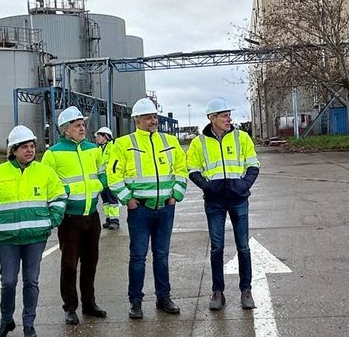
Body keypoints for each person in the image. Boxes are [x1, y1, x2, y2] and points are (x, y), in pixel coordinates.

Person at [0, 125, 66, 337]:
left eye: (32, 146)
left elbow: (59, 197)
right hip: (8, 240)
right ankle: (6, 321)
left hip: (35, 238)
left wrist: (52, 220)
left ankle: (29, 324)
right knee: (8, 281)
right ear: (13, 150)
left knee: (31, 282)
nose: (30, 150)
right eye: (24, 147)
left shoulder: (44, 172)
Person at [107, 97, 188, 319]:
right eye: (148, 117)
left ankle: (164, 297)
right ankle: (136, 301)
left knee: (161, 256)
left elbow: (182, 168)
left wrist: (176, 195)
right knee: (138, 256)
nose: (153, 121)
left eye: (154, 116)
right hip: (139, 210)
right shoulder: (123, 144)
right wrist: (128, 200)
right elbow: (113, 175)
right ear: (137, 120)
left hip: (165, 208)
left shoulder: (170, 141)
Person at [186, 98, 261, 311]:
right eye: (224, 115)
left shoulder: (241, 137)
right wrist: (208, 188)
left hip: (238, 199)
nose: (229, 118)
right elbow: (192, 168)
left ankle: (246, 291)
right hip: (214, 202)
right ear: (212, 118)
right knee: (217, 247)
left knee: (243, 247)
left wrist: (243, 185)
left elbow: (253, 164)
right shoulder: (199, 143)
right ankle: (218, 292)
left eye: (229, 114)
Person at [41, 107, 107, 325]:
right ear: (65, 129)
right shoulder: (53, 153)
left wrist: (102, 185)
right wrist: (64, 195)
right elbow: (47, 182)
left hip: (92, 215)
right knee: (69, 265)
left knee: (91, 263)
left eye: (83, 124)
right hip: (70, 219)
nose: (82, 128)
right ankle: (70, 307)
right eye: (77, 125)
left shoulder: (92, 149)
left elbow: (102, 170)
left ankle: (89, 304)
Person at [94, 126, 121, 230]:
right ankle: (109, 219)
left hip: (110, 178)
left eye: (99, 136)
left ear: (106, 136)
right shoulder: (98, 149)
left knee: (112, 200)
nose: (97, 138)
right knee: (105, 201)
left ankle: (115, 220)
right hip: (101, 179)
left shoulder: (112, 147)